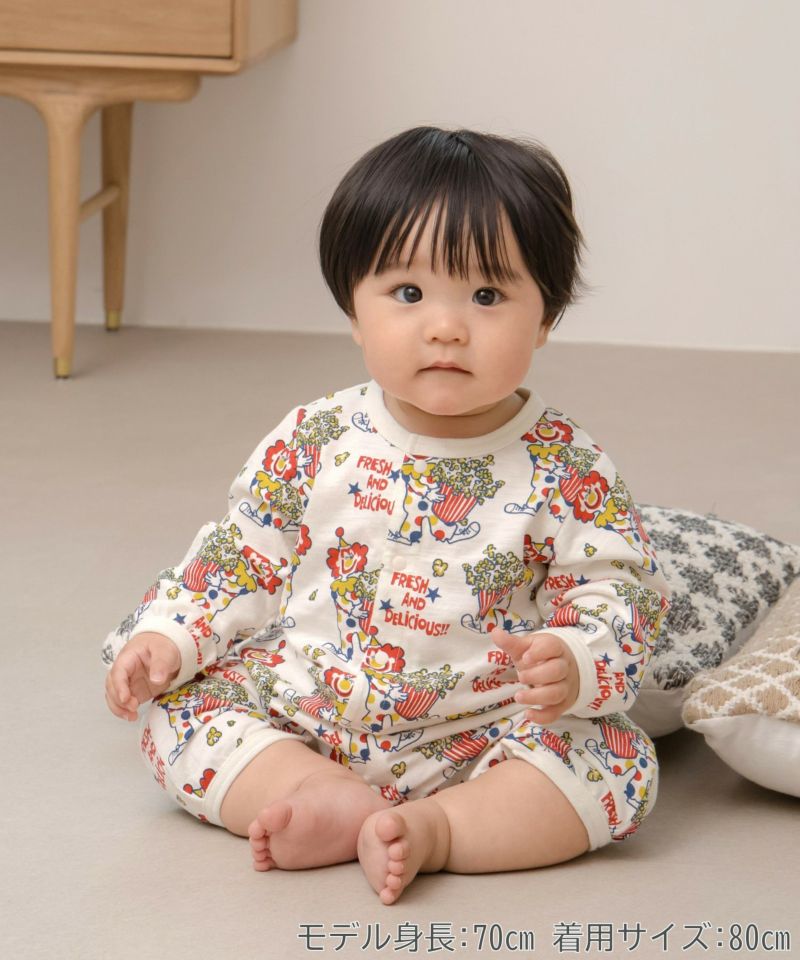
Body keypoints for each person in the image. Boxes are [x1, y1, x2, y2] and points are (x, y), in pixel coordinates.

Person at [103, 126, 670, 905]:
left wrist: (574, 658)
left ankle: (443, 828)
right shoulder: (316, 438)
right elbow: (240, 558)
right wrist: (168, 636)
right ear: (353, 309)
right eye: (408, 294)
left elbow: (620, 591)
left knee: (616, 766)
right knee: (180, 713)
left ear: (546, 317)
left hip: (483, 730)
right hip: (307, 708)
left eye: (487, 296)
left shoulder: (567, 467)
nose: (446, 327)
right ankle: (315, 791)